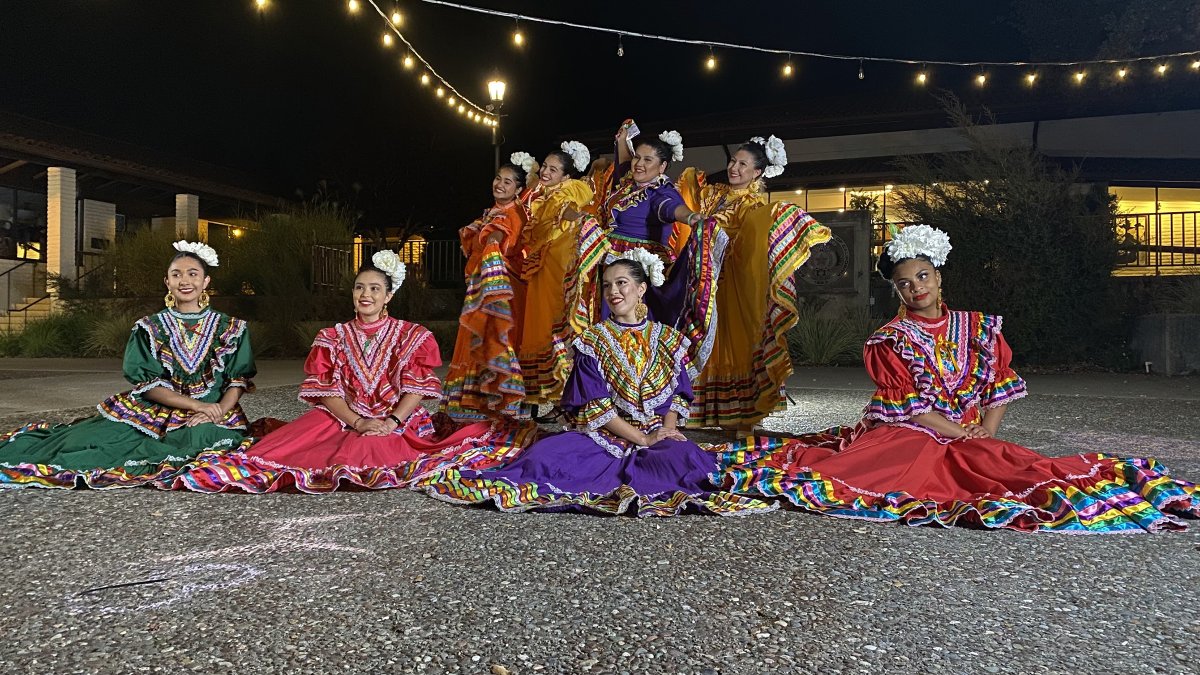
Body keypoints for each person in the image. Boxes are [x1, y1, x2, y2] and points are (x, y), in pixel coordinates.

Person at [716, 225, 1198, 533]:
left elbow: (999, 383)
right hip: (913, 428)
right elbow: (909, 405)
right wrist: (957, 433)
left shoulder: (979, 328)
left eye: (923, 277)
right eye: (905, 283)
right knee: (888, 467)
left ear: (939, 277)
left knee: (1010, 467)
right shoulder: (891, 338)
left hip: (970, 429)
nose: (915, 288)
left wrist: (985, 430)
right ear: (897, 290)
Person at [418, 251, 775, 516]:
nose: (614, 292)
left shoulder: (667, 338)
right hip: (606, 436)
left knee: (686, 460)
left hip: (657, 434)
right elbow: (595, 407)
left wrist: (665, 431)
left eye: (622, 284)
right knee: (546, 456)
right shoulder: (594, 340)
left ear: (641, 289)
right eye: (607, 286)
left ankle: (656, 463)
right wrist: (643, 439)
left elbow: (678, 396)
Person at [166, 252, 526, 493]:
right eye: (359, 288)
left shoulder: (412, 335)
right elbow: (326, 390)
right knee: (283, 451)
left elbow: (416, 387)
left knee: (374, 451)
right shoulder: (332, 336)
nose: (365, 294)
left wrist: (392, 422)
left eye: (374, 289)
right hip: (344, 416)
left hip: (395, 418)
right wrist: (356, 421)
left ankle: (381, 437)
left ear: (388, 296)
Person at [0, 241, 255, 489]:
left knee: (202, 439)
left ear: (206, 281)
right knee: (92, 442)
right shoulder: (149, 327)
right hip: (158, 408)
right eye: (176, 275)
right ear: (167, 282)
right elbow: (149, 385)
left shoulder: (231, 328)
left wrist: (218, 410)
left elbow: (238, 379)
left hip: (216, 412)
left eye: (193, 274)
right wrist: (197, 405)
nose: (185, 281)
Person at [677, 136, 831, 433]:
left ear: (757, 172)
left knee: (738, 342)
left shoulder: (755, 204)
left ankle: (743, 417)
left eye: (742, 164)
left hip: (734, 283)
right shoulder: (714, 193)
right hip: (706, 282)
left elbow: (752, 240)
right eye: (733, 161)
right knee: (706, 339)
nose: (734, 167)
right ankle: (703, 412)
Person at [598, 122, 724, 376]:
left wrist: (692, 218)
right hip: (608, 261)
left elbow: (672, 209)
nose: (639, 164)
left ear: (663, 166)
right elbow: (624, 162)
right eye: (638, 157)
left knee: (625, 324)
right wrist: (623, 139)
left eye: (648, 160)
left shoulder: (661, 193)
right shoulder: (627, 183)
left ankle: (632, 382)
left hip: (635, 267)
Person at [516, 141, 609, 407]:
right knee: (539, 326)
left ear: (566, 175)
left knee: (559, 325)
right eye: (544, 166)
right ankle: (549, 395)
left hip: (560, 267)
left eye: (553, 170)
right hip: (542, 268)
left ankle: (570, 396)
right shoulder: (542, 195)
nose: (545, 172)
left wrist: (575, 217)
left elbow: (570, 207)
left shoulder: (571, 188)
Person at [441, 160, 531, 422]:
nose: (499, 184)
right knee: (479, 338)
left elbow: (499, 237)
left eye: (507, 181)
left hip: (500, 290)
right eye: (498, 178)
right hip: (487, 286)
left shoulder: (511, 214)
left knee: (492, 336)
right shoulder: (493, 211)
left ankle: (495, 404)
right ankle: (479, 402)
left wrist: (492, 242)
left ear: (518, 189)